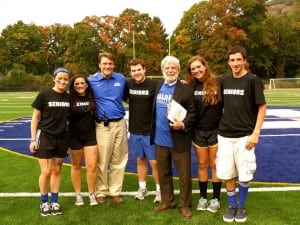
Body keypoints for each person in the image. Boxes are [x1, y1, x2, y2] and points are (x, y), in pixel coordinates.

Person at [216, 45, 267, 223]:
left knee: (244, 173)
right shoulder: (224, 81)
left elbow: (262, 106)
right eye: (232, 60)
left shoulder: (252, 80)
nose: (235, 63)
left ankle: (241, 205)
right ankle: (231, 205)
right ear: (228, 62)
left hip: (245, 135)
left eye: (239, 59)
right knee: (227, 173)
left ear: (244, 60)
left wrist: (256, 133)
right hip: (224, 136)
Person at [151, 55, 196, 219]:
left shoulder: (186, 88)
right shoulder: (157, 86)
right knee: (164, 173)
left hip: (179, 139)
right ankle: (167, 201)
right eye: (167, 68)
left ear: (178, 70)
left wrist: (183, 124)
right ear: (162, 70)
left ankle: (184, 204)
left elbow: (193, 113)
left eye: (174, 68)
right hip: (159, 140)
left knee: (184, 175)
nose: (170, 70)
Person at [29, 67, 71, 216]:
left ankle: (54, 201)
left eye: (65, 79)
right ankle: (43, 202)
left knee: (56, 170)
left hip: (62, 138)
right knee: (46, 171)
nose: (62, 81)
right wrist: (33, 139)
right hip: (45, 136)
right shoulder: (44, 94)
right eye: (59, 78)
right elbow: (35, 117)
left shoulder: (68, 97)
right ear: (54, 78)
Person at [88, 52, 128, 204]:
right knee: (102, 160)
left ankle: (115, 190)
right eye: (104, 63)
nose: (107, 66)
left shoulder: (120, 78)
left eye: (110, 64)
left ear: (114, 65)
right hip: (103, 125)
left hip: (120, 123)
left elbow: (125, 96)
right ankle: (101, 190)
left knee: (119, 159)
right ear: (99, 65)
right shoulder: (91, 80)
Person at [186, 55, 223, 213]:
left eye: (198, 67)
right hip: (198, 131)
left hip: (215, 130)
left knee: (215, 164)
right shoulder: (190, 86)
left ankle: (215, 199)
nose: (196, 70)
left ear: (205, 66)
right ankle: (202, 197)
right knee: (202, 164)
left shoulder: (218, 82)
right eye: (193, 69)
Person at [126, 58, 161, 203]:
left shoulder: (154, 84)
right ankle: (143, 188)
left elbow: (172, 85)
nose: (137, 73)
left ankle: (160, 190)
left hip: (150, 130)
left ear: (144, 69)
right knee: (140, 160)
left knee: (154, 162)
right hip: (134, 129)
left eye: (139, 69)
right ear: (130, 72)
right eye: (133, 71)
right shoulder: (128, 84)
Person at [68, 74, 98, 206]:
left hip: (90, 136)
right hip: (74, 137)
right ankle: (78, 195)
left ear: (86, 85)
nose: (80, 86)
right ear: (73, 86)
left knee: (91, 166)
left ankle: (92, 194)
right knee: (76, 166)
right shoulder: (69, 99)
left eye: (82, 83)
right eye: (77, 84)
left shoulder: (92, 97)